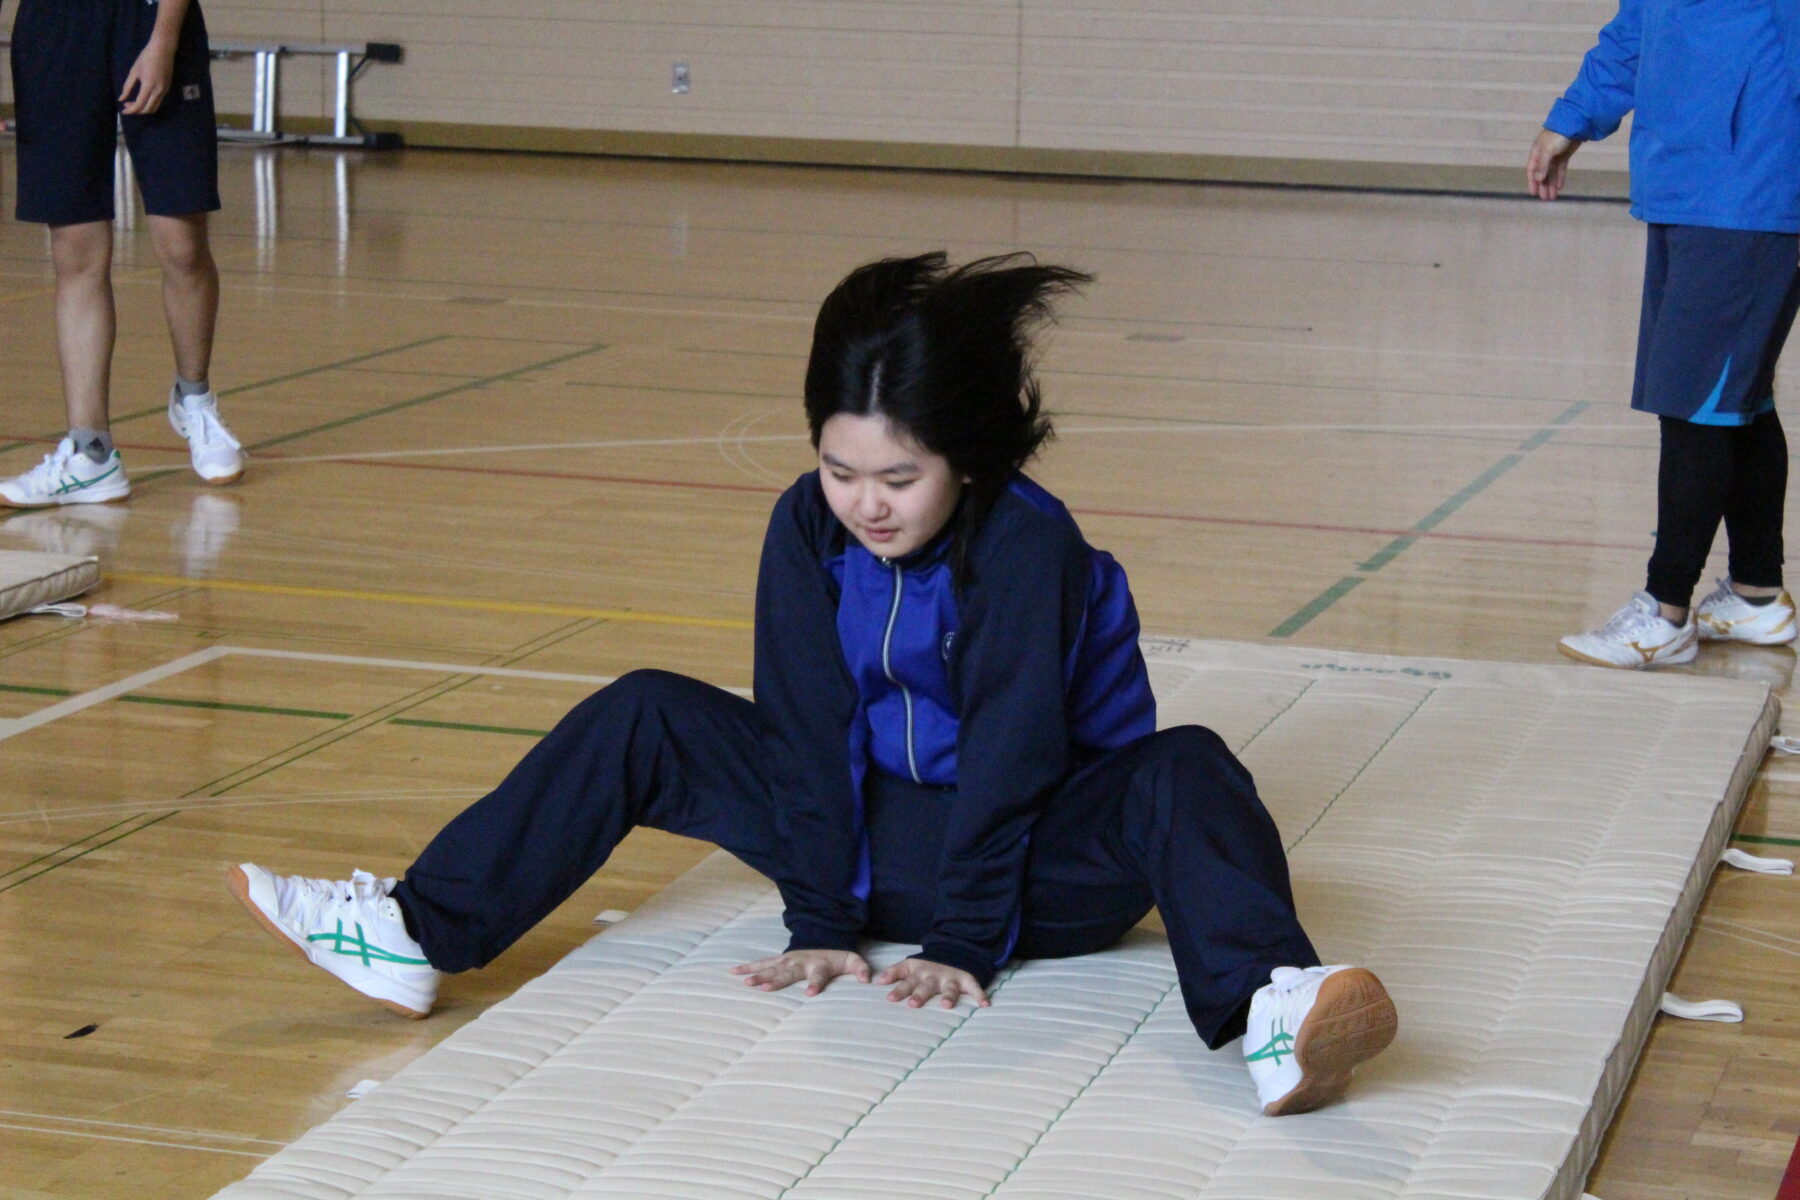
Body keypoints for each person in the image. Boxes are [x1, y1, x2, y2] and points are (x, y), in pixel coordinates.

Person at [227, 253, 1397, 1117]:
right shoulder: (807, 528)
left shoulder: (1027, 544)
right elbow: (799, 723)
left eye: (900, 475)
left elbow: (1017, 754)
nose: (866, 502)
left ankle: (1268, 1010)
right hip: (873, 848)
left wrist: (965, 944)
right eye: (841, 469)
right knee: (646, 708)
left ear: (969, 461)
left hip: (1044, 859)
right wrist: (824, 922)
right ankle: (415, 931)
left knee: (1189, 764)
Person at [1538, 0, 1800, 669]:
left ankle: (1664, 612)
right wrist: (1573, 118)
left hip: (1753, 189)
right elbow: (1639, 26)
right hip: (1687, 184)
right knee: (1738, 396)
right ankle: (1756, 595)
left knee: (1696, 402)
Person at [1, 0, 244, 509]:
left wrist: (163, 40)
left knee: (181, 239)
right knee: (76, 250)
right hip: (55, 26)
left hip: (146, 17)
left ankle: (193, 398)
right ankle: (92, 454)